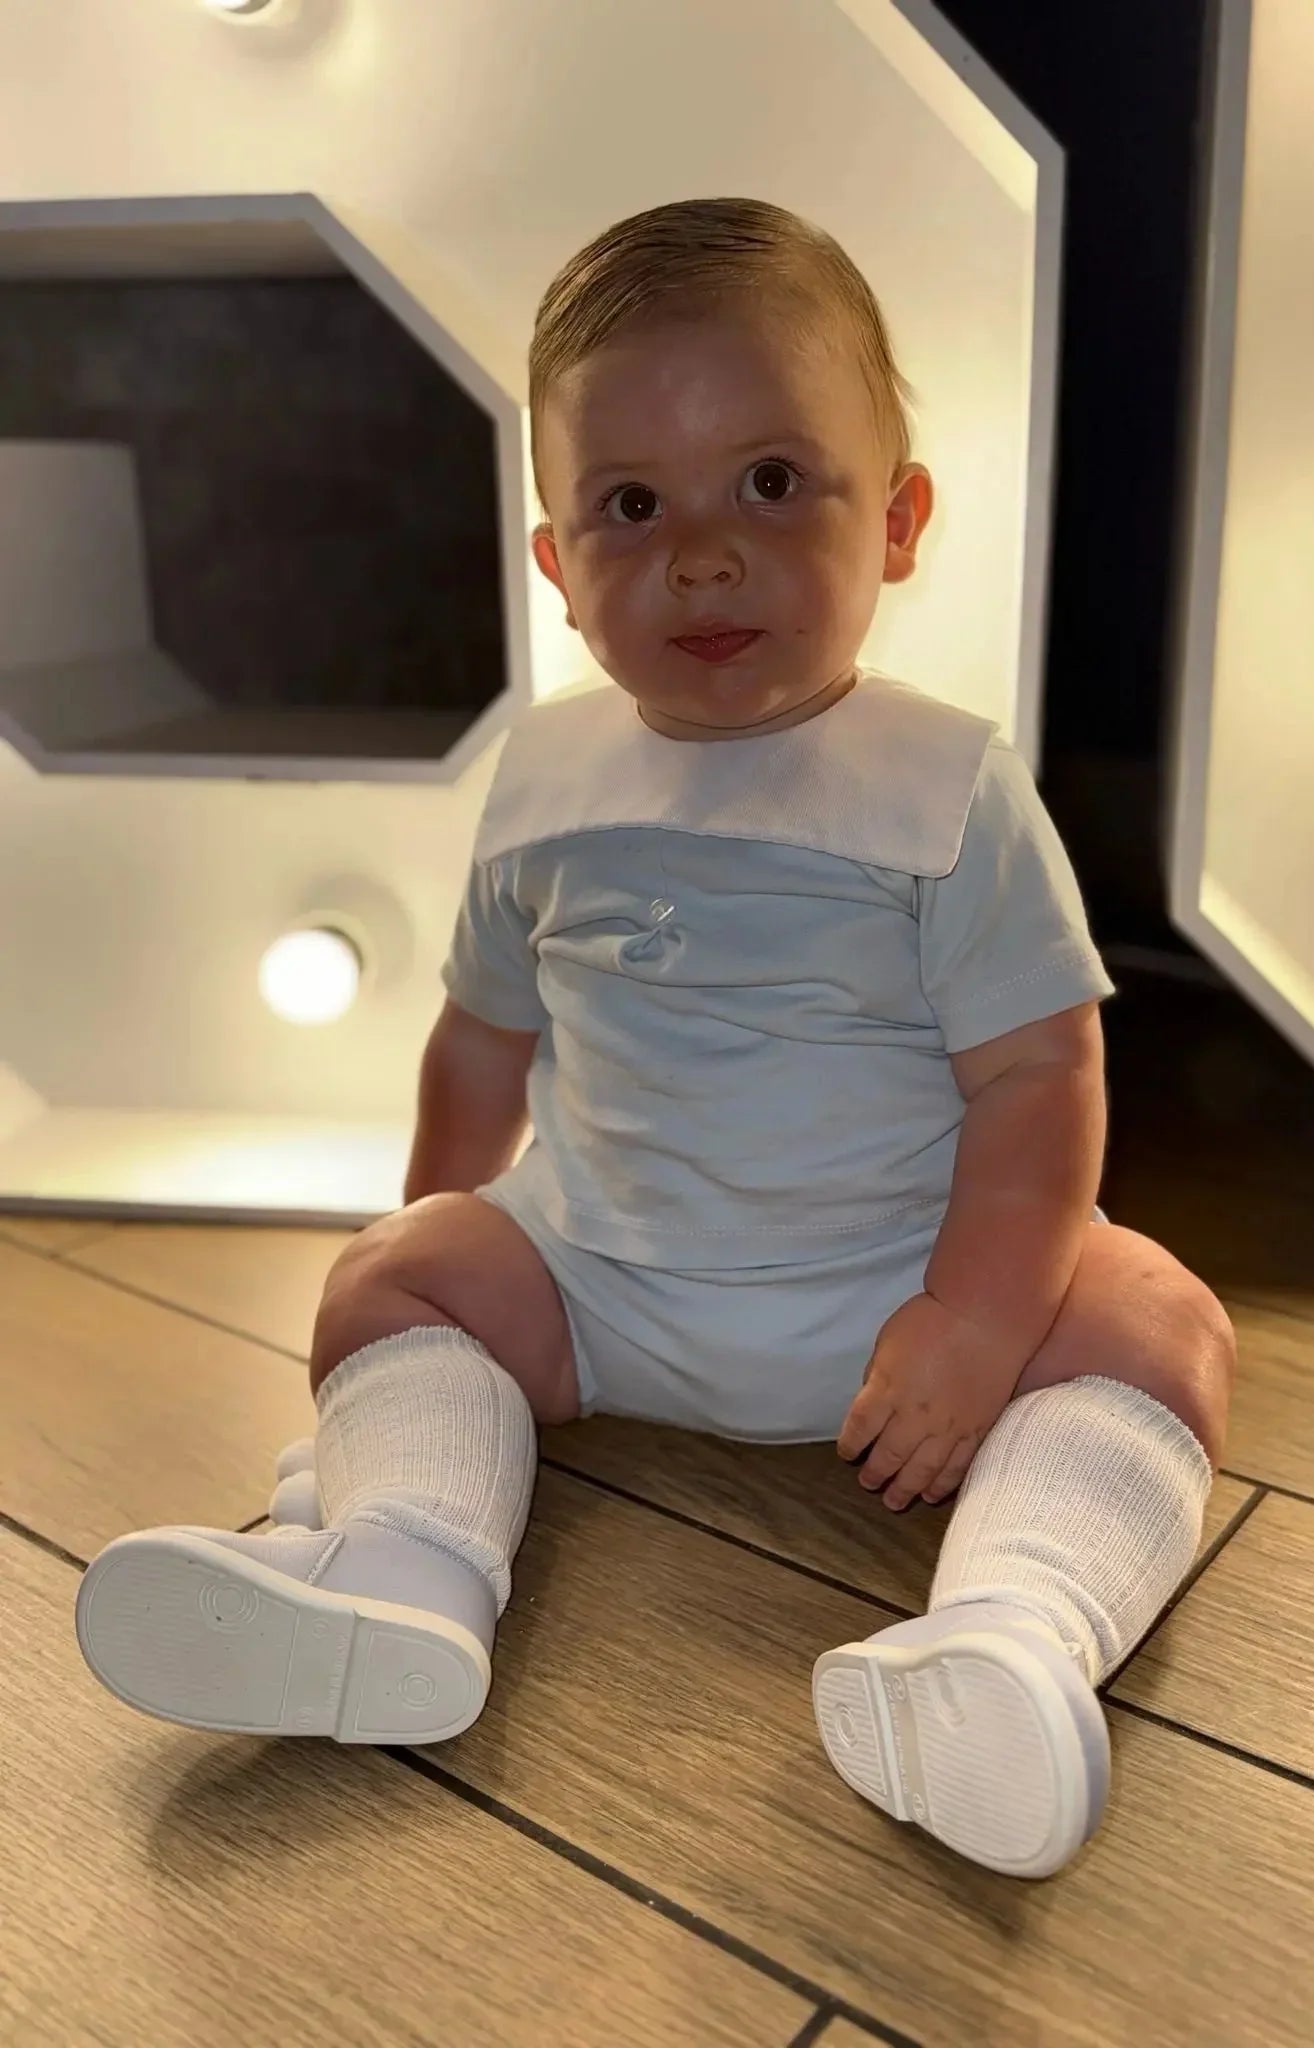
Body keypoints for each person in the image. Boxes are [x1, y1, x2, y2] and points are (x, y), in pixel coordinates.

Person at [75, 197, 1234, 1881]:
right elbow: (480, 1047)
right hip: (609, 1296)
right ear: (555, 563)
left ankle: (1011, 1631)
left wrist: (981, 1324)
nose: (701, 552)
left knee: (1156, 1318)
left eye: (773, 482)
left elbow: (1041, 1078)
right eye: (630, 505)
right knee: (385, 1280)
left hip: (899, 1295)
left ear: (898, 521)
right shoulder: (548, 788)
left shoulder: (944, 790)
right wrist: (435, 1256)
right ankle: (409, 1562)